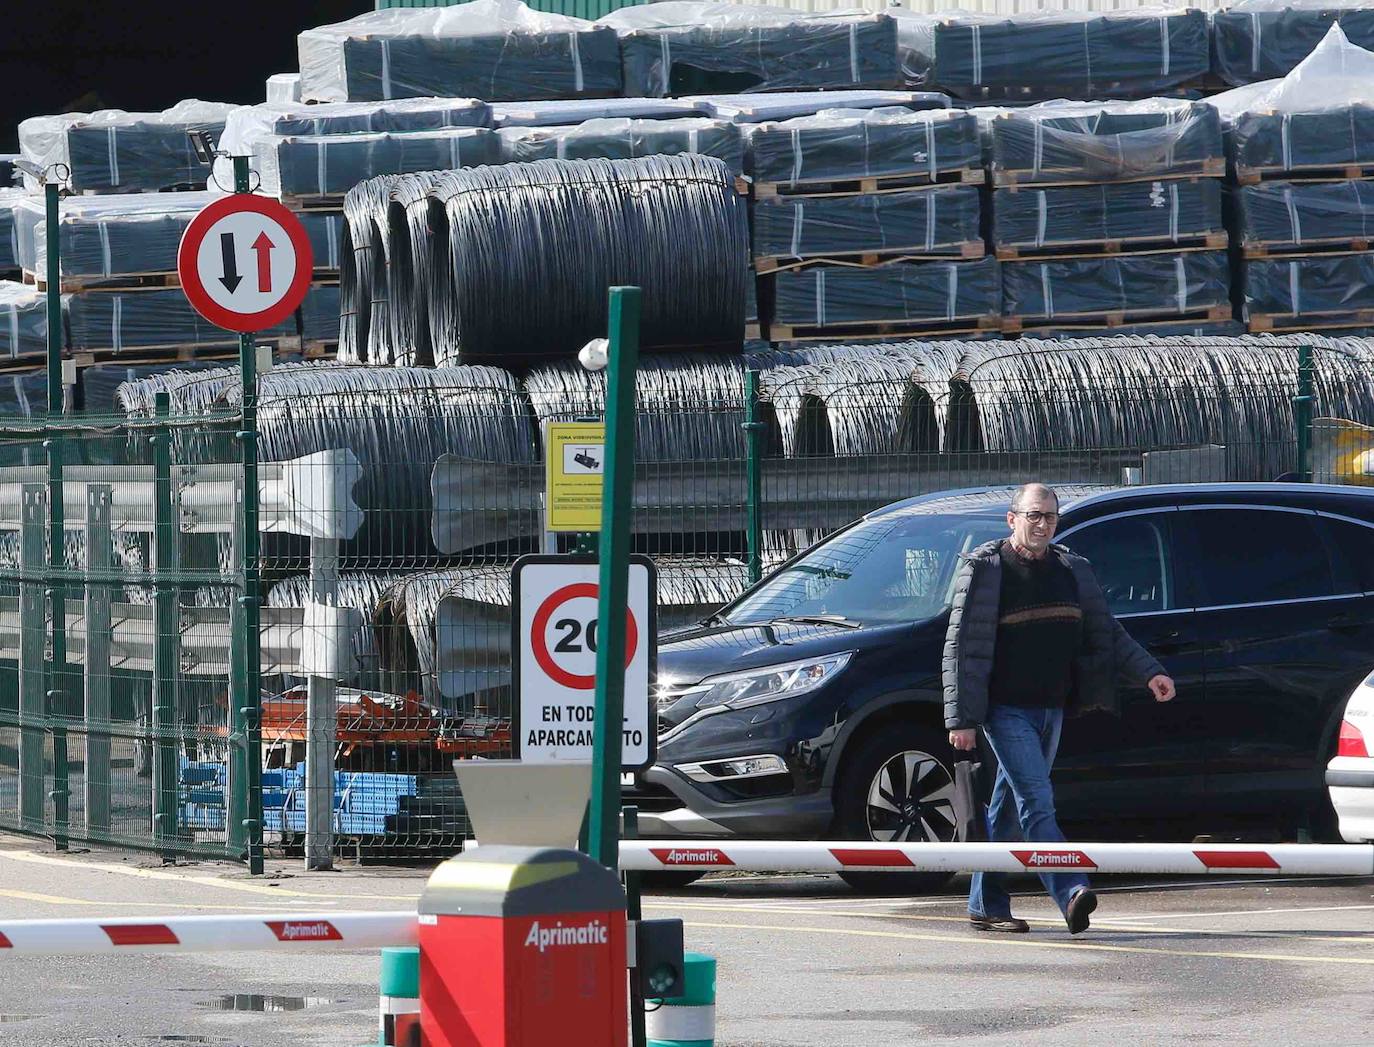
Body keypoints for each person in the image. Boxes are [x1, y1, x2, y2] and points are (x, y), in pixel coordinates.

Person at [942, 483, 1176, 935]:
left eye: (1049, 516)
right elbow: (960, 649)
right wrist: (962, 720)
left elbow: (1106, 632)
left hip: (1053, 708)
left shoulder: (1073, 569)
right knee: (1037, 799)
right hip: (1004, 710)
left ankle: (985, 903)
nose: (1042, 524)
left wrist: (1149, 673)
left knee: (1008, 808)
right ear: (1012, 520)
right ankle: (1070, 889)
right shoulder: (987, 571)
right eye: (1033, 515)